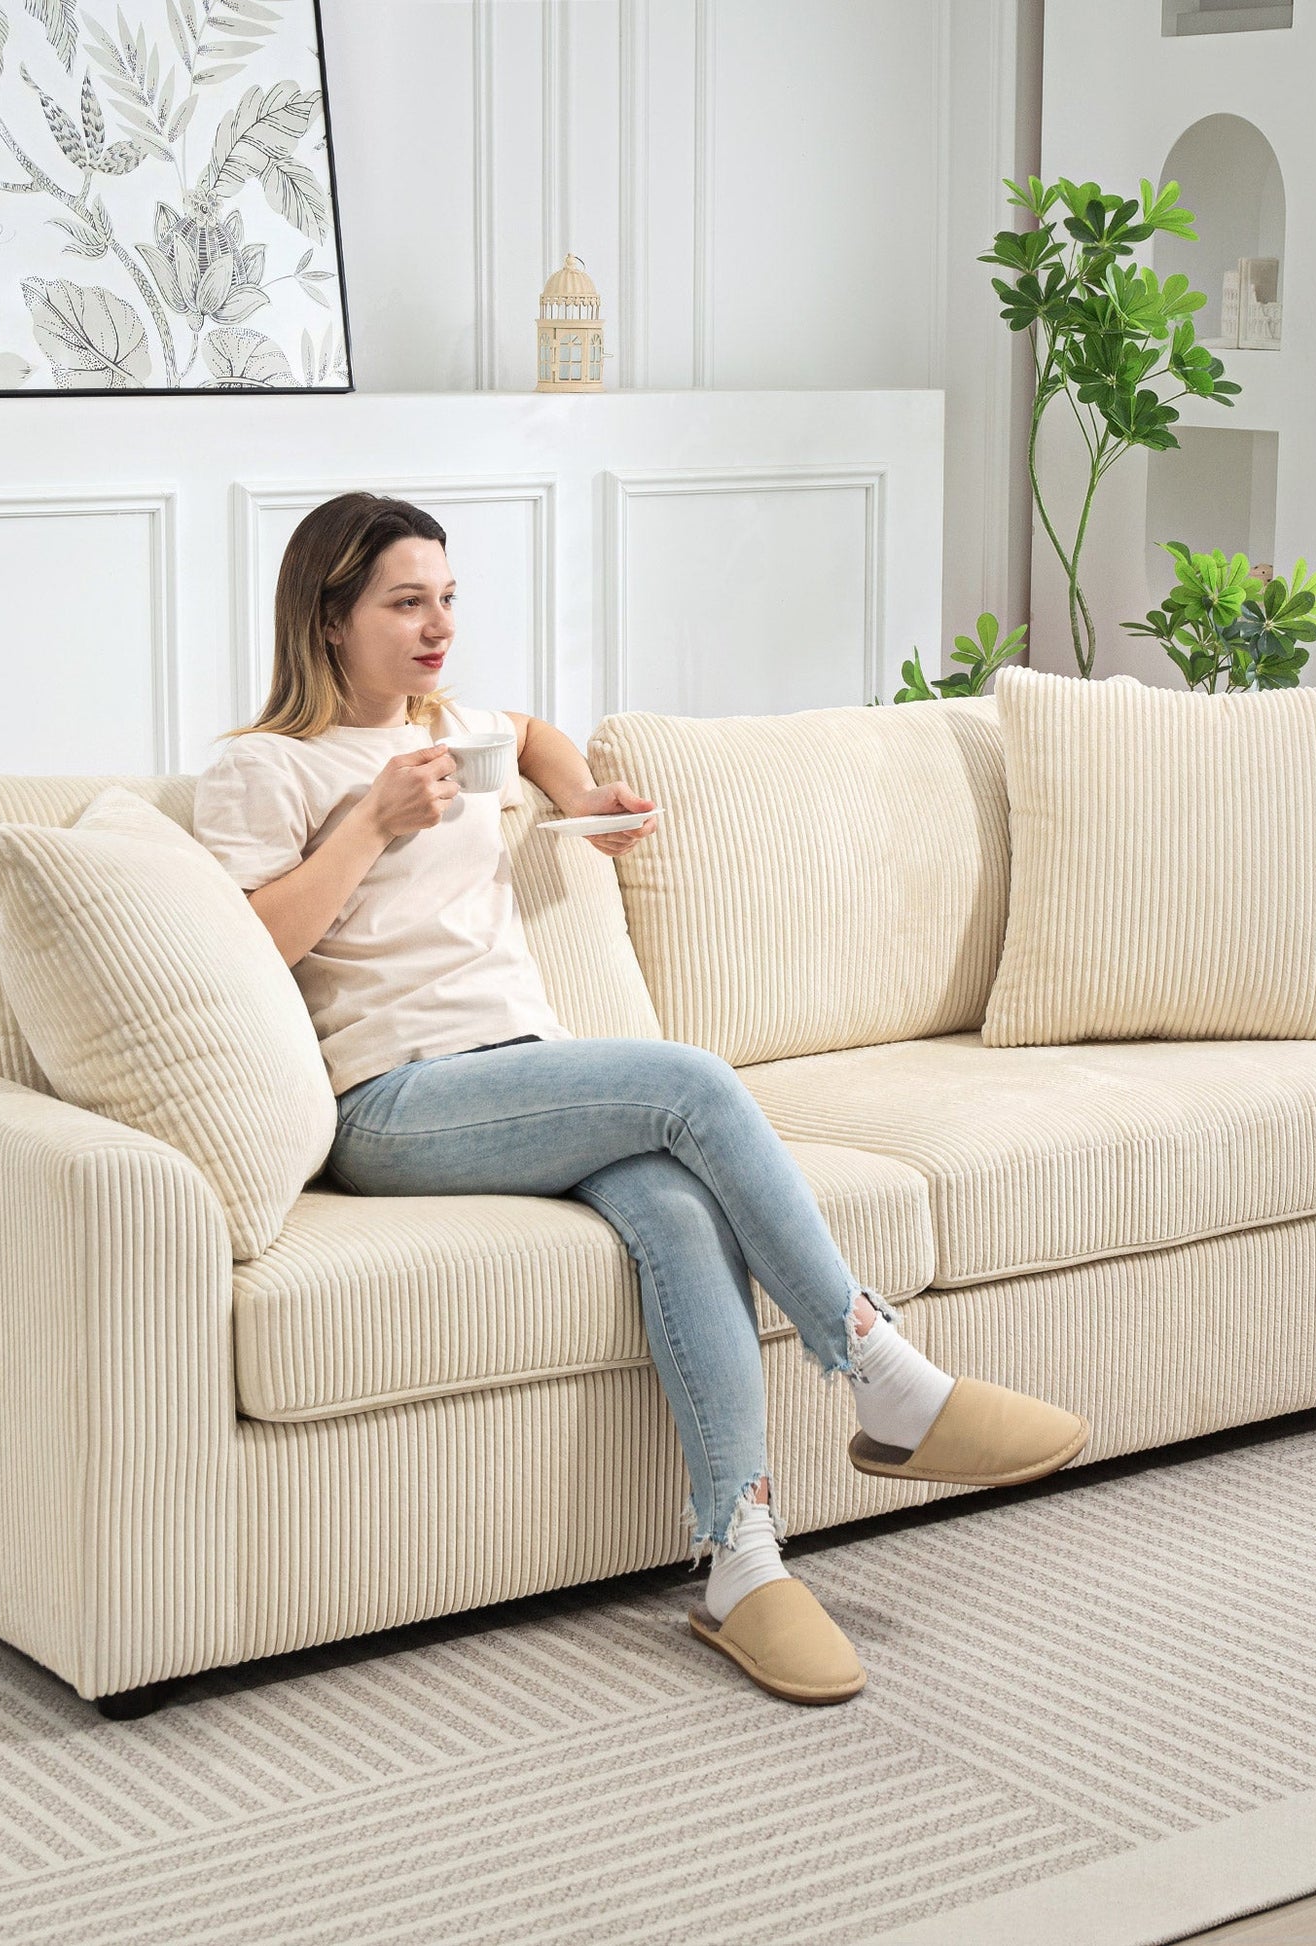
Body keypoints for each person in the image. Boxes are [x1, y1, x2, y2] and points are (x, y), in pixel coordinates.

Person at [192, 491, 1089, 1706]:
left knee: (673, 1207)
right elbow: (250, 948)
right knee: (689, 1082)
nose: (438, 624)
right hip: (395, 1100)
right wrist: (366, 825)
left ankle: (739, 1556)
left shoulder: (456, 730)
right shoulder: (264, 766)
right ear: (326, 617)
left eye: (446, 597)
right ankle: (881, 1370)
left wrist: (580, 796)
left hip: (525, 1070)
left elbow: (529, 729)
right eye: (405, 602)